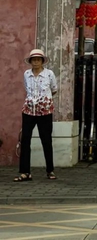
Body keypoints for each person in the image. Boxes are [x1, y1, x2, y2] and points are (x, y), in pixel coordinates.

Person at [14, 48, 58, 182]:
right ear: (31, 61)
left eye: (38, 60)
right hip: (28, 110)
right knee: (25, 139)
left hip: (44, 111)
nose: (36, 62)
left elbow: (54, 89)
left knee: (46, 140)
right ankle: (25, 172)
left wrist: (43, 101)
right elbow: (27, 89)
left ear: (42, 61)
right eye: (34, 60)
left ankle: (50, 170)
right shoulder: (27, 74)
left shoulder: (49, 74)